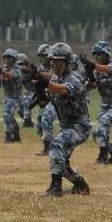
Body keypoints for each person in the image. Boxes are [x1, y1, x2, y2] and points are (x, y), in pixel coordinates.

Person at [39, 42, 91, 196]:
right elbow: (47, 99)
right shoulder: (55, 79)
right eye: (52, 60)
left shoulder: (75, 78)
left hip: (79, 127)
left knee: (56, 145)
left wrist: (47, 84)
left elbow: (64, 90)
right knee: (60, 161)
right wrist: (41, 92)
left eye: (58, 60)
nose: (54, 63)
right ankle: (80, 184)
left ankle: (56, 188)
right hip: (66, 126)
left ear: (67, 61)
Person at [81, 41, 112, 165]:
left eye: (100, 54)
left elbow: (109, 70)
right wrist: (88, 80)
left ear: (107, 55)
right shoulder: (96, 71)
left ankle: (103, 156)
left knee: (103, 124)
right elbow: (92, 85)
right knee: (97, 134)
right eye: (95, 54)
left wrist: (93, 65)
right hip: (105, 104)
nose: (97, 57)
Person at [0, 48, 23, 143]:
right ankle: (16, 135)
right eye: (5, 57)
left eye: (9, 57)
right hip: (7, 96)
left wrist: (1, 71)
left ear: (14, 59)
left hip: (16, 97)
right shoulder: (4, 68)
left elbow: (11, 76)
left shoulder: (16, 68)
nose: (7, 59)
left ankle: (8, 136)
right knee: (9, 116)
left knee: (6, 114)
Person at [34, 43, 57, 156]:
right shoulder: (41, 68)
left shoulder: (57, 66)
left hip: (60, 100)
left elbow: (53, 76)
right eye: (40, 56)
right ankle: (48, 145)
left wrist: (38, 75)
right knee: (39, 120)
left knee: (46, 116)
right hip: (48, 100)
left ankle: (49, 148)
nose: (42, 58)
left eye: (44, 56)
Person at [17, 52, 36, 128]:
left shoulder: (31, 69)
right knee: (19, 109)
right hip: (29, 92)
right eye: (19, 64)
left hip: (37, 92)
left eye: (22, 63)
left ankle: (27, 119)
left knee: (26, 101)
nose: (20, 66)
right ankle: (29, 123)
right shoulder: (19, 72)